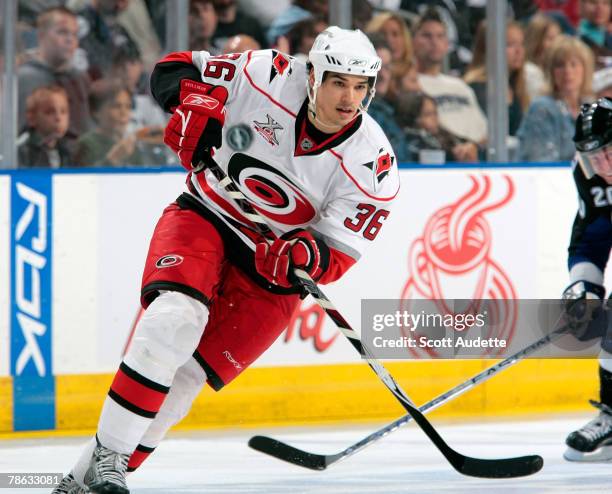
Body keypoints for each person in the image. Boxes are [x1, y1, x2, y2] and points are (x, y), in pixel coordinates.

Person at [52, 26, 399, 493]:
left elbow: (336, 251)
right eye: (338, 82)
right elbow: (174, 68)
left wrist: (307, 254)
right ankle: (108, 464)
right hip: (208, 215)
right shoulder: (265, 74)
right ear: (312, 74)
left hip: (269, 274)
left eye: (361, 87)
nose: (348, 99)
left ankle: (80, 482)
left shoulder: (372, 163)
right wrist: (194, 104)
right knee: (173, 319)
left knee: (185, 383)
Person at [562, 97, 612, 462]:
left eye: (608, 152)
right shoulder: (589, 176)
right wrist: (584, 286)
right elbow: (592, 234)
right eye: (593, 156)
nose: (601, 165)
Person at [411, 7, 487, 145]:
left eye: (440, 36)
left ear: (447, 44)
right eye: (427, 36)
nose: (434, 42)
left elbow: (484, 130)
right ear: (412, 41)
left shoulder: (461, 86)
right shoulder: (411, 85)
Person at [17, 6, 91, 145]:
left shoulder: (80, 79)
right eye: (62, 32)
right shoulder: (24, 79)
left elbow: (86, 131)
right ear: (41, 35)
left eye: (74, 34)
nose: (70, 40)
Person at [517, 35, 595, 162]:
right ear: (551, 71)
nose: (567, 71)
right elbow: (541, 163)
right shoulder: (542, 108)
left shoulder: (592, 109)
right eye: (560, 65)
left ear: (585, 69)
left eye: (574, 64)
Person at [463, 20, 530, 137]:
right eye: (509, 44)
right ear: (489, 48)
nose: (518, 51)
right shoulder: (476, 87)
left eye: (521, 44)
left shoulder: (517, 85)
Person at [396, 91, 479, 163]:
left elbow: (468, 144)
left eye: (435, 113)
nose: (434, 118)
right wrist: (454, 155)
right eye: (428, 114)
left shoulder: (444, 134)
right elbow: (428, 156)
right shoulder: (408, 140)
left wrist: (470, 147)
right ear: (413, 118)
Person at [17, 85, 73, 168]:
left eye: (63, 111)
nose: (58, 117)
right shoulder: (21, 150)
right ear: (32, 118)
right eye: (49, 112)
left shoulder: (71, 149)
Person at [524, 13, 562, 101]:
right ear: (536, 41)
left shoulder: (551, 69)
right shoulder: (529, 71)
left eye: (558, 37)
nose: (557, 43)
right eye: (550, 38)